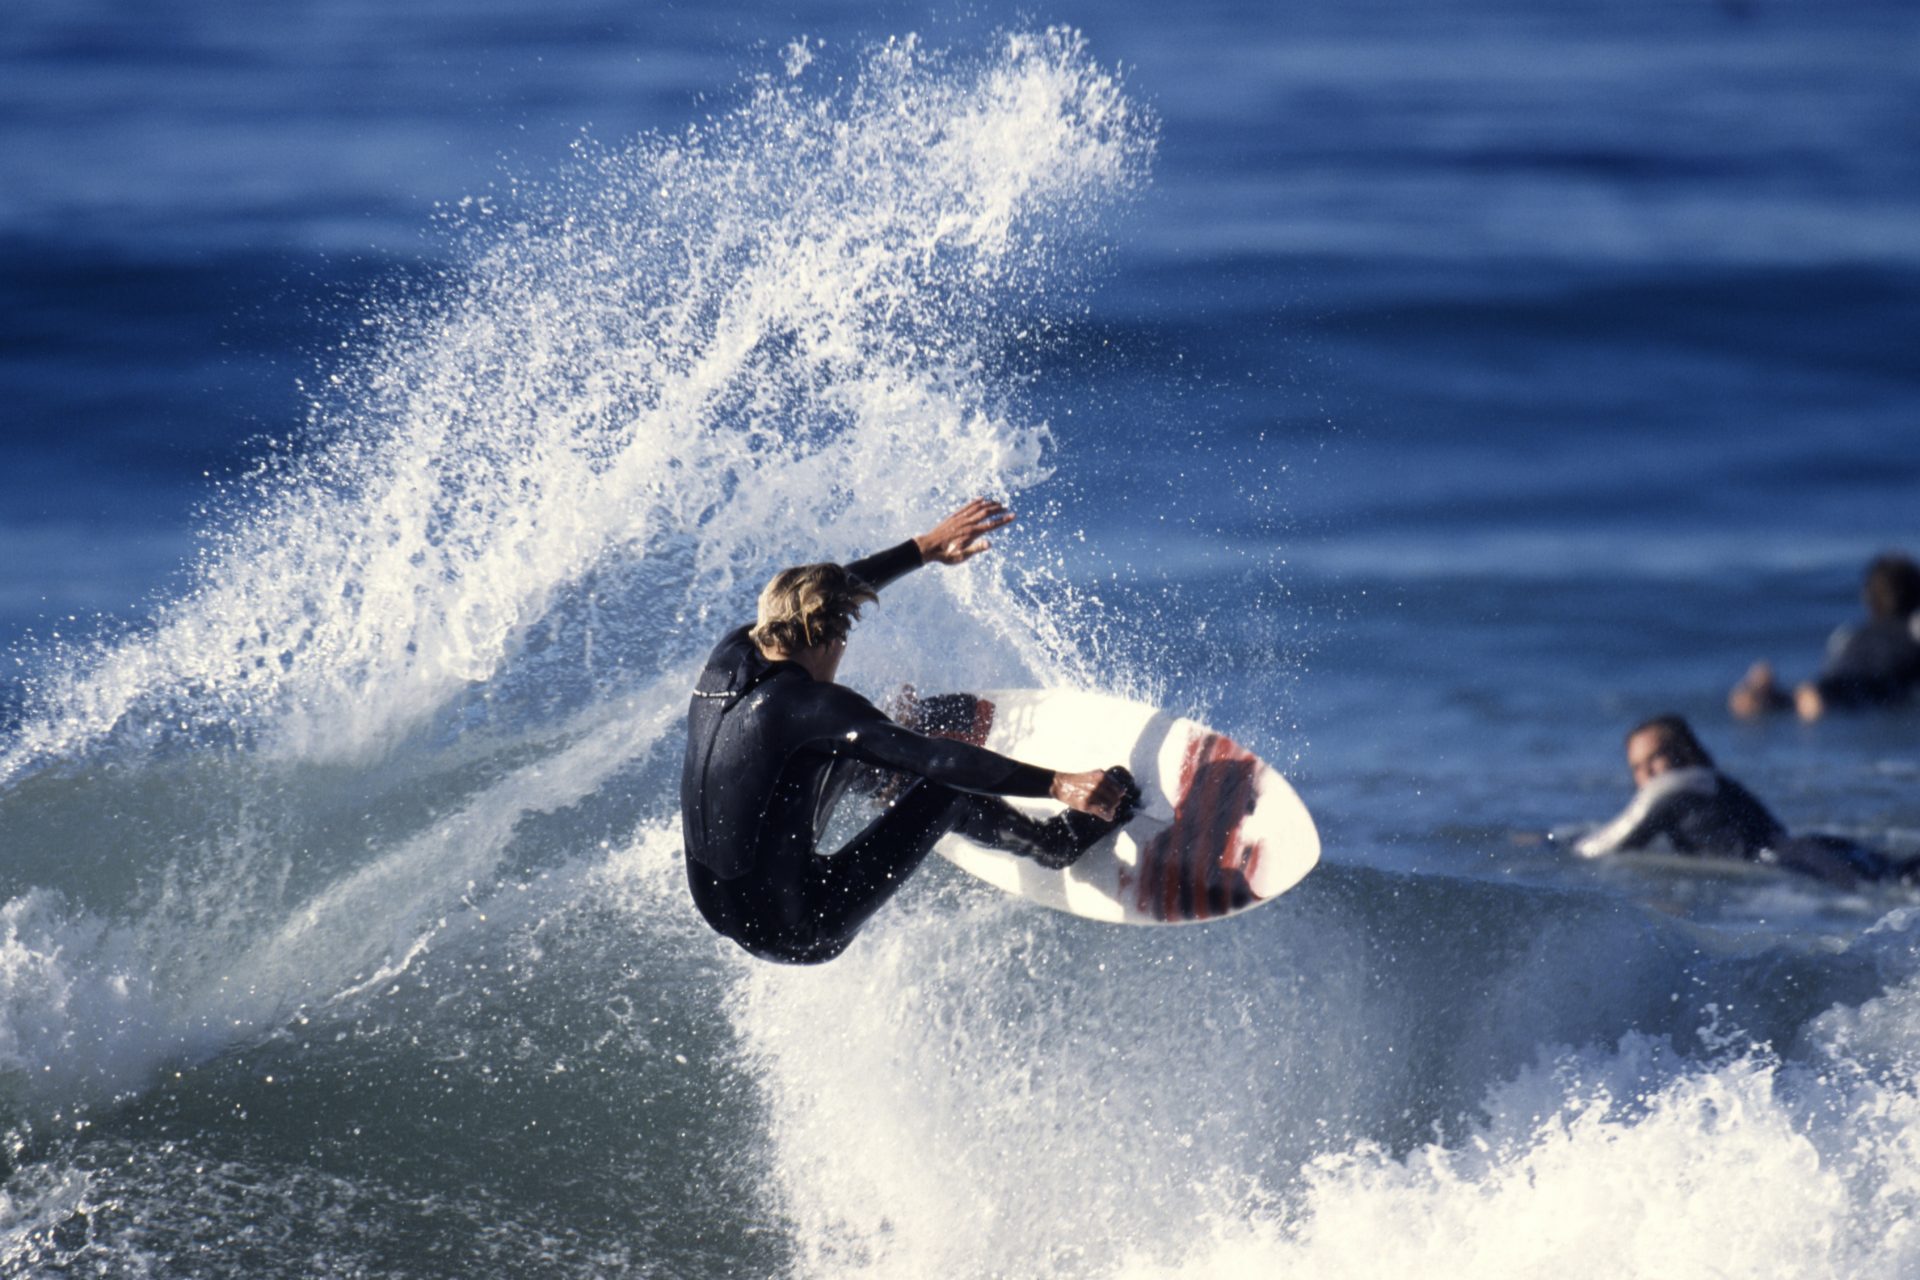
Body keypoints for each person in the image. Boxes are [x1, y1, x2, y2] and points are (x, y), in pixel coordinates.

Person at [679, 498, 1139, 964]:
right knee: (944, 789)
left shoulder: (732, 653)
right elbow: (938, 759)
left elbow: (827, 596)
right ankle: (1054, 844)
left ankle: (886, 774)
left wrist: (923, 548)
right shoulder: (814, 708)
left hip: (720, 906)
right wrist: (1057, 783)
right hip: (800, 929)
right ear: (834, 638)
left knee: (840, 742)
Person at [1574, 714, 1909, 888]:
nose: (1647, 773)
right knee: (1899, 875)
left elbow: (1607, 846)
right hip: (1807, 851)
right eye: (1636, 766)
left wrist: (1552, 850)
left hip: (1789, 864)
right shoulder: (1715, 783)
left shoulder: (1671, 788)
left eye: (1656, 758)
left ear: (1683, 751)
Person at [1729, 552, 1920, 721]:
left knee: (1811, 697)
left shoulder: (1849, 633)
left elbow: (1833, 662)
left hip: (1836, 680)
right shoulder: (1913, 628)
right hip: (1873, 685)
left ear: (1868, 599)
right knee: (1845, 698)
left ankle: (1771, 695)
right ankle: (1808, 697)